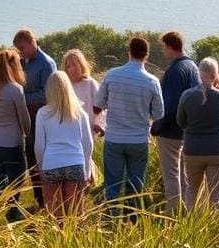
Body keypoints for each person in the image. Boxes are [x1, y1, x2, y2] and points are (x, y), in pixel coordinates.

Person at [93, 36, 164, 219]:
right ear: (146, 55)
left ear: (129, 52)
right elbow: (159, 114)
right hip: (138, 139)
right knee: (136, 183)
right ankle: (132, 217)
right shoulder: (152, 81)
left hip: (114, 137)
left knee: (113, 183)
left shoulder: (112, 75)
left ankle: (112, 217)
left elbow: (97, 105)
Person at [176, 57, 219, 210]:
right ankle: (214, 228)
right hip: (217, 150)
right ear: (215, 75)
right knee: (215, 192)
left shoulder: (187, 95)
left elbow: (180, 121)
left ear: (199, 74)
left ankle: (189, 225)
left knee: (191, 190)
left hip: (193, 149)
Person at [150, 31, 201, 214]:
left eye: (164, 47)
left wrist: (157, 127)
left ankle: (172, 213)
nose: (164, 51)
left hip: (171, 131)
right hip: (190, 131)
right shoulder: (193, 67)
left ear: (170, 46)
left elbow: (169, 106)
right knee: (184, 175)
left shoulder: (174, 71)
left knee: (171, 174)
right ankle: (187, 211)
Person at [34, 71, 94, 221]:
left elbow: (39, 146)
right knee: (76, 212)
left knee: (55, 214)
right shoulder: (80, 113)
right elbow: (87, 143)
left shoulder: (42, 113)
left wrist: (41, 167)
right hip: (75, 162)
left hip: (51, 163)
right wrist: (87, 168)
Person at [0, 48, 31, 217]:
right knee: (17, 179)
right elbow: (24, 118)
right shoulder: (15, 89)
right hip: (11, 142)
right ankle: (12, 211)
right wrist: (27, 134)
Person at [13, 28, 56, 208]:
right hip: (27, 116)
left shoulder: (46, 63)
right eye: (17, 49)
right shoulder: (23, 62)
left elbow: (48, 94)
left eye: (22, 48)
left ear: (32, 43)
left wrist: (20, 98)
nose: (19, 53)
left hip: (41, 116)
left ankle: (47, 200)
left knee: (40, 158)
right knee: (30, 158)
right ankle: (40, 199)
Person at [62, 48, 104, 180]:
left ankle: (87, 182)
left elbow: (100, 106)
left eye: (73, 65)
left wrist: (98, 124)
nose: (70, 69)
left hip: (88, 127)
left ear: (80, 65)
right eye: (67, 66)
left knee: (85, 154)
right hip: (69, 127)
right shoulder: (64, 85)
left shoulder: (90, 83)